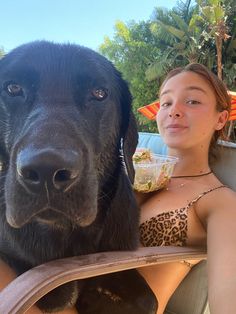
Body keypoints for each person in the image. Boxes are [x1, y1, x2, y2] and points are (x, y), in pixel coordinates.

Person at [136, 63, 236, 314]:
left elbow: (229, 297)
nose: (174, 111)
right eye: (166, 103)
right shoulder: (138, 175)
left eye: (192, 101)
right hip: (63, 291)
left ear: (220, 118)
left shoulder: (218, 200)